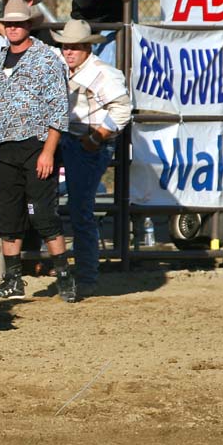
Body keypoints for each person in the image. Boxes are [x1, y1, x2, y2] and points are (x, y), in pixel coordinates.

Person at [0, 0, 75, 303]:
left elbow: (58, 109)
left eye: (18, 23)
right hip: (5, 145)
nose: (13, 28)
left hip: (37, 144)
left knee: (44, 214)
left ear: (29, 25)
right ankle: (12, 279)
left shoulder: (46, 60)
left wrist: (48, 151)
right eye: (9, 23)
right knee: (8, 216)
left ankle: (64, 276)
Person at [49, 19, 132, 297]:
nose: (68, 51)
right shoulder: (66, 67)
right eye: (65, 46)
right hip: (69, 136)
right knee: (58, 198)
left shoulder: (102, 73)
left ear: (87, 48)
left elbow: (122, 109)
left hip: (87, 141)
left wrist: (97, 138)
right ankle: (83, 274)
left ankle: (86, 275)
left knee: (79, 209)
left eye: (74, 47)